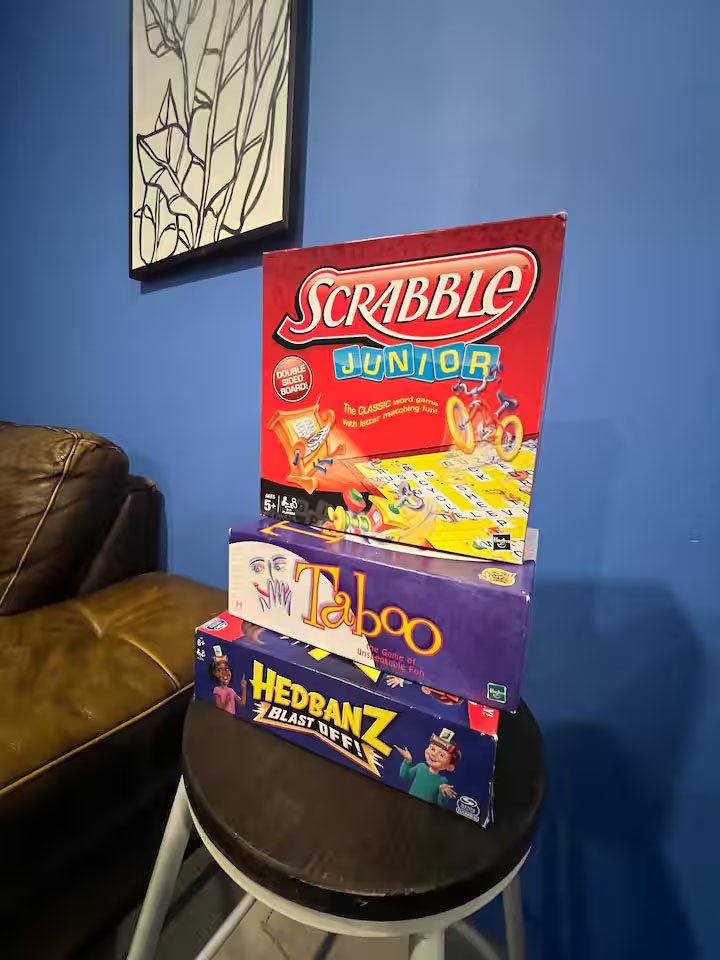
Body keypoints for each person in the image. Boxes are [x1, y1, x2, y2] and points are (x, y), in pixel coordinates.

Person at [394, 729, 461, 806]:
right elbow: (404, 775)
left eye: (441, 755)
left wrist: (443, 793)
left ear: (450, 767)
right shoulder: (420, 767)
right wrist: (407, 761)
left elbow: (441, 804)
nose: (433, 754)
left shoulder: (442, 781)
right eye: (433, 749)